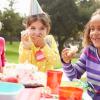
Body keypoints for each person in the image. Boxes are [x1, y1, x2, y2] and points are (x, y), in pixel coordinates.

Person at [61, 9, 100, 100]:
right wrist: (66, 62)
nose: (94, 33)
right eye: (92, 29)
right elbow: (74, 76)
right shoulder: (89, 52)